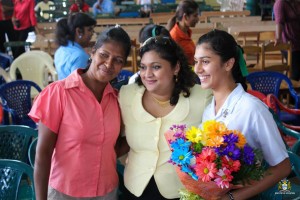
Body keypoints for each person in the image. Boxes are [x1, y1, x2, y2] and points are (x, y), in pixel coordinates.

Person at [28, 26, 132, 200]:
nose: (108, 64)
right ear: (92, 53)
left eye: (118, 60)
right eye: (104, 55)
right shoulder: (59, 93)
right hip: (65, 192)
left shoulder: (117, 100)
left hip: (106, 192)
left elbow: (112, 148)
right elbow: (43, 154)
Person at [193, 29, 291, 199]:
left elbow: (283, 167)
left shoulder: (252, 109)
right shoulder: (209, 109)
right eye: (196, 62)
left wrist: (233, 197)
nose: (197, 69)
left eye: (205, 61)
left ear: (228, 64)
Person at [119, 36, 212, 199]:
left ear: (176, 67)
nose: (147, 74)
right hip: (135, 189)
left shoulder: (202, 97)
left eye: (156, 67)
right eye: (143, 67)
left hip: (182, 191)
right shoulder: (127, 95)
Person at [54, 13, 96, 80]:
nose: (92, 33)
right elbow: (79, 85)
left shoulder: (60, 50)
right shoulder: (80, 56)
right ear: (79, 31)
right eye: (89, 30)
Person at [274, 0, 300, 81]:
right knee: (295, 73)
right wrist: (278, 38)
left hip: (298, 41)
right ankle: (289, 91)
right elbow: (279, 22)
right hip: (289, 43)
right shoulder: (280, 3)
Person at [167, 0, 199, 65]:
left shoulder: (186, 32)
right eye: (195, 16)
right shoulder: (174, 37)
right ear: (185, 17)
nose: (198, 19)